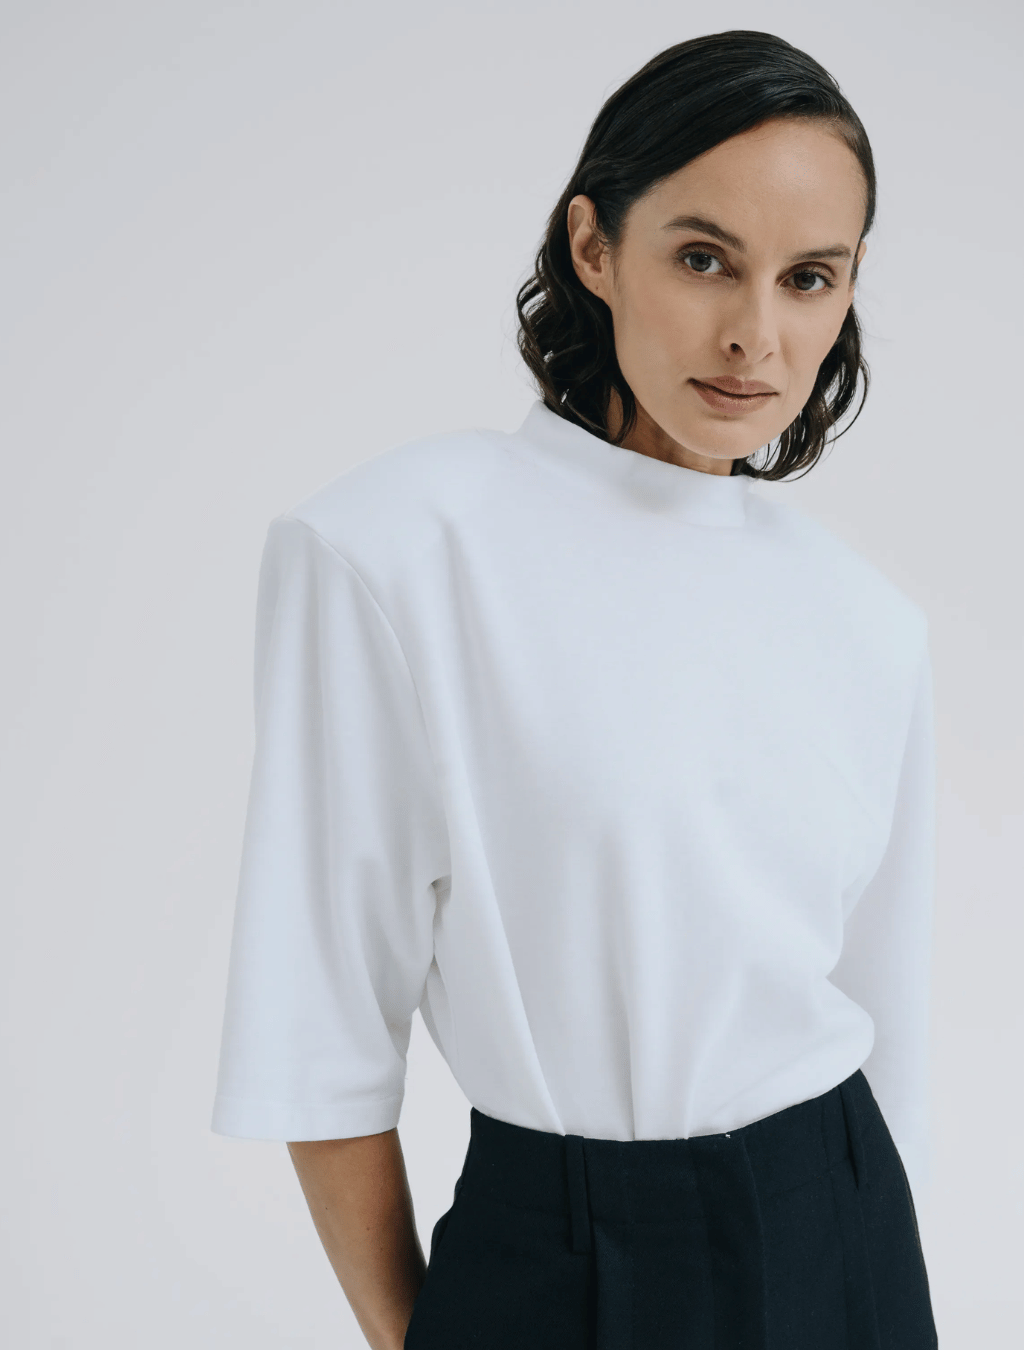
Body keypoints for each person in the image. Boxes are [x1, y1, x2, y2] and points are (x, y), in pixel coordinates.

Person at [212, 29, 939, 1350]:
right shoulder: (394, 551)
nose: (755, 334)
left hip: (846, 1236)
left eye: (808, 278)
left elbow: (894, 1027)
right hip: (564, 1250)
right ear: (593, 245)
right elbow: (320, 1032)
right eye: (704, 258)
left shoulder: (866, 619)